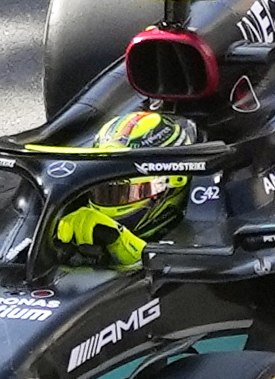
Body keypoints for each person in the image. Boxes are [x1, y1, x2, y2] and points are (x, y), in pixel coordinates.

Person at [51, 106, 199, 268]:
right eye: (104, 190)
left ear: (173, 181)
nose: (111, 203)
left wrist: (123, 244)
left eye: (127, 192)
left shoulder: (203, 225)